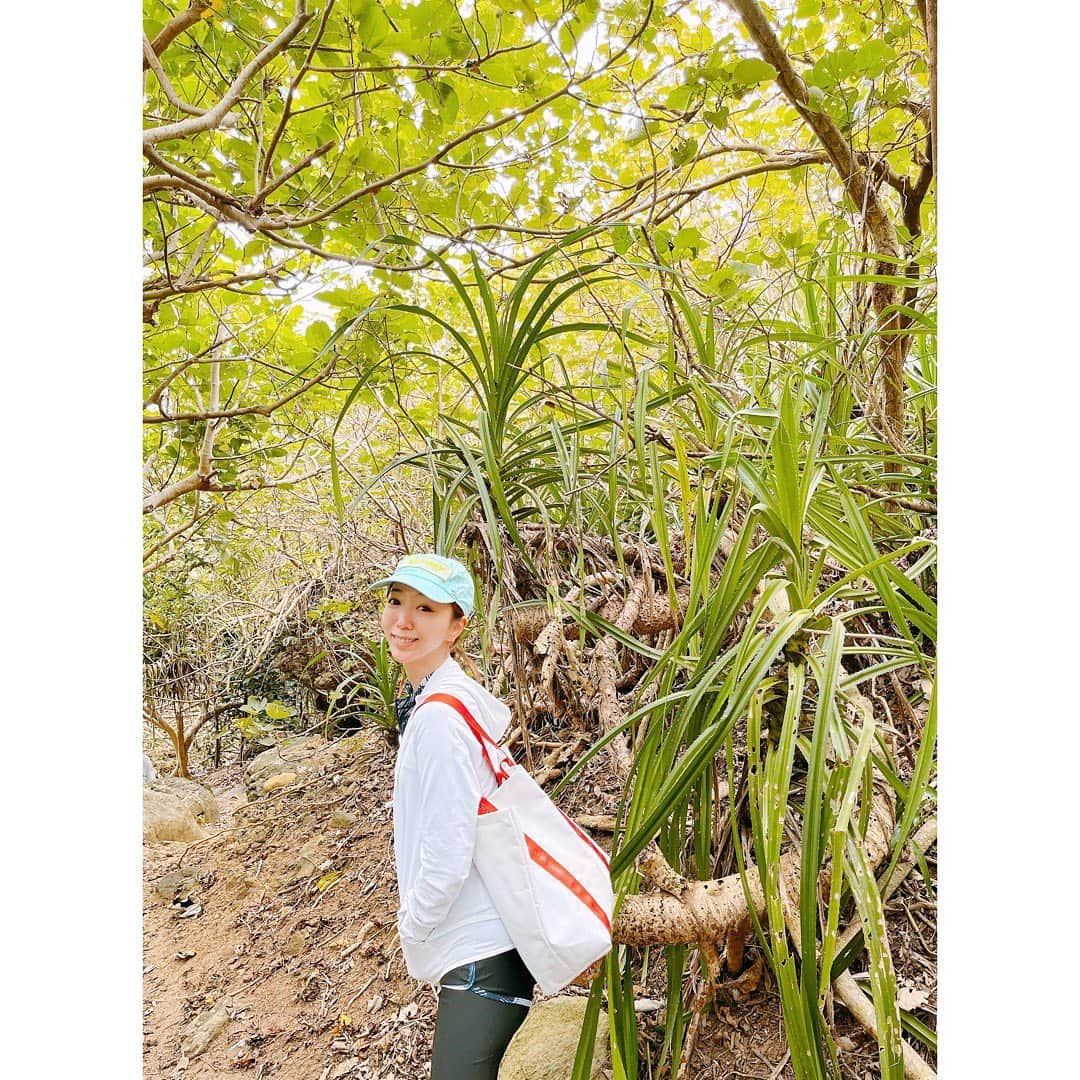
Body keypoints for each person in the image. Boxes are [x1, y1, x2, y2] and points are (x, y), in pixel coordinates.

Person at [371, 552, 536, 1079]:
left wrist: (413, 926)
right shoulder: (442, 701)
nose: (403, 621)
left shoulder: (440, 718)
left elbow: (448, 846)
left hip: (478, 954)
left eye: (425, 609)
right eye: (396, 602)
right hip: (488, 945)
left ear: (456, 626)